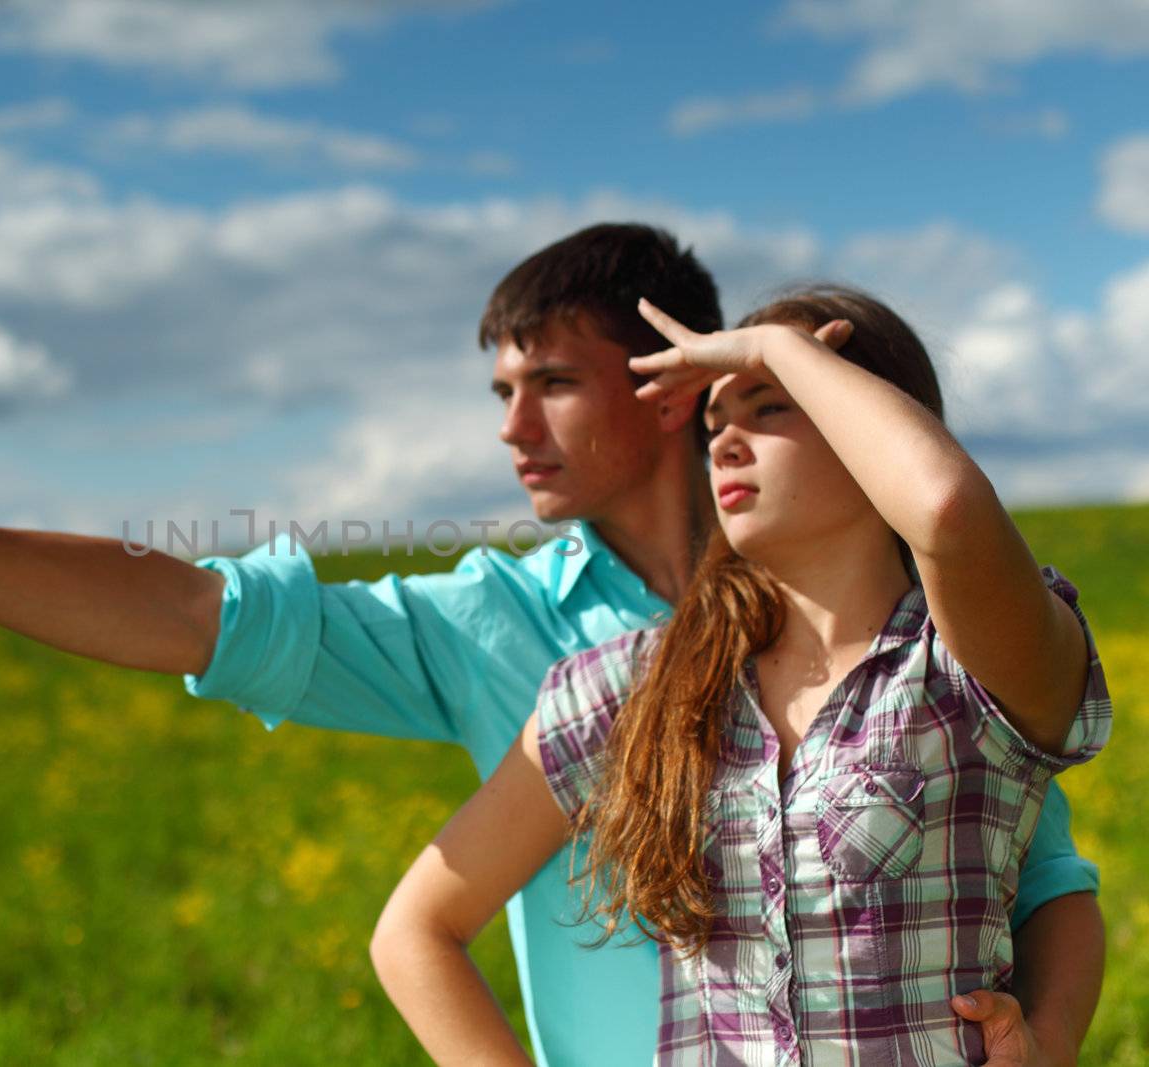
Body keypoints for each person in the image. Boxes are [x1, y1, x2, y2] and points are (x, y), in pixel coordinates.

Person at [0, 225, 1103, 1064]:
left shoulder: (925, 655)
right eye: (495, 389)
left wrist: (1048, 1031)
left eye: (551, 382)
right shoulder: (527, 638)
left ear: (667, 383)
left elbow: (1043, 872)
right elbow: (184, 610)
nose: (511, 425)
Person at [371, 287, 1112, 1064]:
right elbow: (416, 931)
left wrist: (779, 349)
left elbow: (947, 506)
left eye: (771, 406)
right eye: (715, 423)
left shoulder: (964, 669)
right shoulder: (641, 685)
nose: (723, 443)